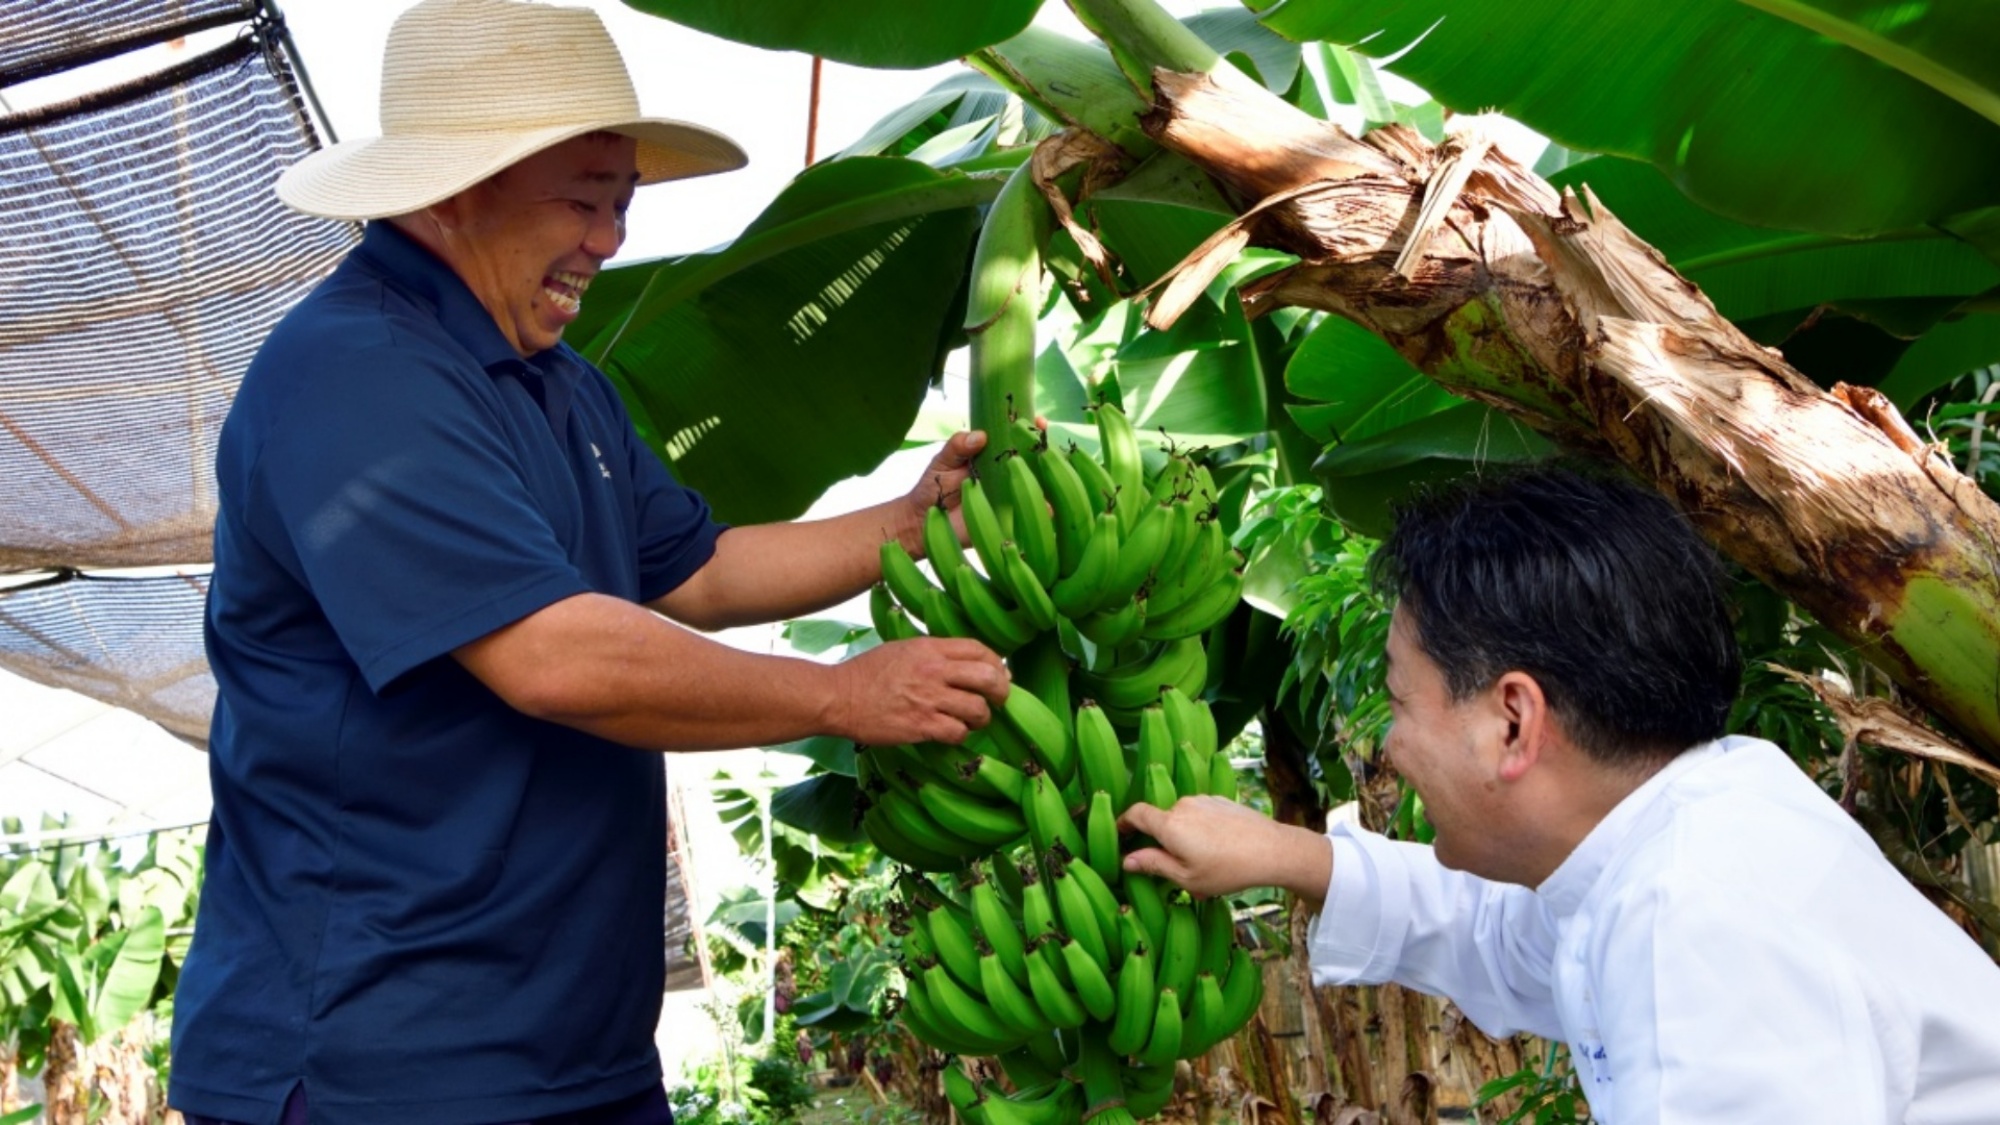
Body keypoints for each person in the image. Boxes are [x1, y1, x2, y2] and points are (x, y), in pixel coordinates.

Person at [169, 2, 1010, 1123]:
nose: (609, 242)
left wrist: (905, 524)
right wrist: (841, 695)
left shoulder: (561, 385)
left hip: (574, 1052)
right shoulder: (357, 374)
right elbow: (553, 658)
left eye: (621, 205)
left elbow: (699, 570)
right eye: (582, 201)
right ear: (456, 188)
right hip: (384, 1062)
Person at [1120, 467, 2000, 1124]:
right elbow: (1502, 934)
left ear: (1513, 720)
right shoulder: (1685, 829)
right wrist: (1280, 853)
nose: (1389, 744)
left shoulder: (1702, 923)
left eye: (1397, 699)